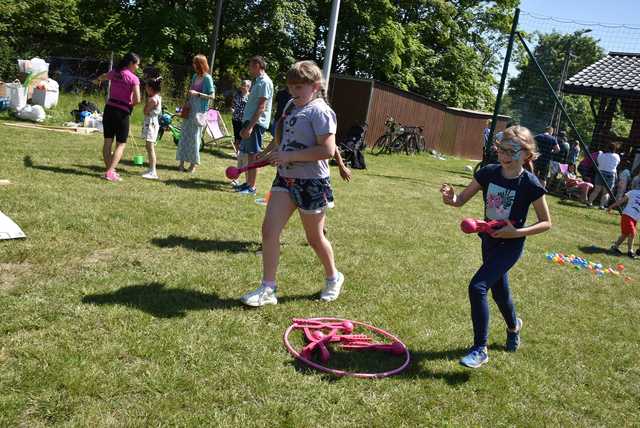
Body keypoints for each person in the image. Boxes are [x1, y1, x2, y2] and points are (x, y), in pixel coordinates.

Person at [440, 125, 552, 368]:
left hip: (510, 246)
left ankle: (480, 349)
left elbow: (546, 223)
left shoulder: (530, 184)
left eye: (511, 150)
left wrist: (516, 232)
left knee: (477, 287)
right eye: (501, 148)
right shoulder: (488, 173)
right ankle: (514, 327)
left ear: (526, 155)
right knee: (500, 292)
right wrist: (451, 198)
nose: (503, 155)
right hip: (489, 242)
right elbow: (460, 200)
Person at [240, 60, 343, 307]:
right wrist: (267, 155)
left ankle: (333, 277)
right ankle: (268, 288)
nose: (294, 92)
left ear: (315, 86)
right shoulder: (290, 106)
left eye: (299, 87)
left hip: (312, 182)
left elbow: (327, 150)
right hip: (285, 179)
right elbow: (282, 139)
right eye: (291, 86)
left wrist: (289, 156)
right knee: (269, 230)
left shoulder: (321, 111)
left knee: (315, 238)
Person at [94, 52, 141, 182]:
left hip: (109, 109)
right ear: (131, 64)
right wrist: (130, 105)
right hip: (122, 112)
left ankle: (110, 171)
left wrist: (97, 80)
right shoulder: (133, 79)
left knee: (108, 142)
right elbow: (138, 99)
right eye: (137, 65)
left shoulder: (115, 72)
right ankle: (110, 172)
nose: (138, 67)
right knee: (121, 144)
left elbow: (103, 77)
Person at [236, 56, 274, 195]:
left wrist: (250, 127)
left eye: (250, 66)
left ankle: (251, 187)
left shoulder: (264, 82)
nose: (249, 69)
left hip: (256, 123)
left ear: (257, 65)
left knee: (252, 155)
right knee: (247, 154)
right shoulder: (257, 81)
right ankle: (247, 184)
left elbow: (261, 107)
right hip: (250, 121)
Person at [176, 54, 215, 174]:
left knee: (195, 138)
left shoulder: (207, 78)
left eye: (195, 63)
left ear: (200, 64)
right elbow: (190, 93)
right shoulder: (194, 76)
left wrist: (197, 94)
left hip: (200, 112)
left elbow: (212, 96)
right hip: (191, 108)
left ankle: (193, 165)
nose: (193, 65)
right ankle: (181, 163)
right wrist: (187, 102)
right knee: (184, 135)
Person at [607, 182, 640, 259]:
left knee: (625, 234)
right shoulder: (632, 192)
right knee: (632, 232)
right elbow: (621, 201)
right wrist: (611, 206)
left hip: (635, 218)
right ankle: (630, 251)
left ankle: (615, 247)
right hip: (627, 215)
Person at [141, 77, 162, 180]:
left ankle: (153, 171)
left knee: (150, 147)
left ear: (150, 88)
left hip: (151, 124)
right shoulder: (156, 97)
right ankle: (151, 169)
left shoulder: (153, 99)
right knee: (148, 147)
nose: (145, 89)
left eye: (146, 87)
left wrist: (146, 105)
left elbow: (145, 111)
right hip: (151, 123)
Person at [587, 143, 620, 209]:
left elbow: (598, 162)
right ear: (615, 149)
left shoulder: (601, 155)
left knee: (596, 190)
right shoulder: (617, 156)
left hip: (600, 173)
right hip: (610, 174)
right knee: (606, 192)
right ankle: (602, 206)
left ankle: (589, 202)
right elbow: (616, 164)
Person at [231, 79, 251, 156]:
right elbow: (233, 105)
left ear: (248, 87)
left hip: (244, 120)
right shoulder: (237, 95)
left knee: (243, 137)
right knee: (237, 136)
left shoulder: (250, 96)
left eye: (244, 85)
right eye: (242, 84)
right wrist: (232, 109)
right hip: (235, 118)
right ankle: (237, 153)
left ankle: (243, 152)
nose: (242, 86)